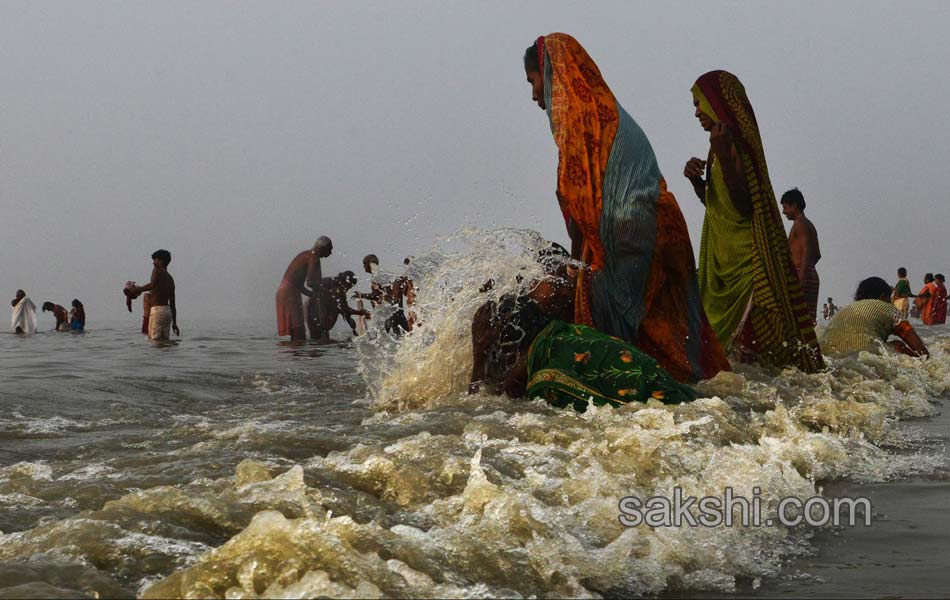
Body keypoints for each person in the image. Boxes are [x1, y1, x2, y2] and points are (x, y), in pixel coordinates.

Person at [524, 33, 729, 383]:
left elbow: (584, 213)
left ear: (553, 73)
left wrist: (577, 278)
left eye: (534, 81)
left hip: (634, 242)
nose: (534, 96)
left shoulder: (578, 124)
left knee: (609, 347)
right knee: (676, 349)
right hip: (664, 229)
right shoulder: (609, 115)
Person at [685, 70, 823, 372]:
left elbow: (745, 204)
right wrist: (698, 182)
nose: (696, 112)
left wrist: (723, 152)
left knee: (750, 365)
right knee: (729, 364)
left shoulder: (733, 145)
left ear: (717, 103)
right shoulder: (716, 148)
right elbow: (720, 207)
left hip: (747, 269)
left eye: (700, 103)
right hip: (722, 265)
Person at [469, 250, 695, 411]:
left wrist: (479, 356)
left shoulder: (545, 376)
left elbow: (489, 399)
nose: (561, 287)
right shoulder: (572, 332)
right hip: (668, 388)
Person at [820, 277, 928, 358]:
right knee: (898, 345)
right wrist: (924, 360)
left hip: (828, 355)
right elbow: (919, 349)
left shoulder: (844, 310)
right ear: (882, 297)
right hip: (864, 356)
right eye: (889, 298)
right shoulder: (889, 309)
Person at [276, 237, 331, 342]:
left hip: (285, 291)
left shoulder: (306, 254)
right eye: (330, 249)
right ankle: (297, 357)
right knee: (298, 333)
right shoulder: (313, 257)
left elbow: (299, 284)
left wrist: (312, 294)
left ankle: (294, 357)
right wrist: (325, 293)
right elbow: (311, 282)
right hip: (289, 294)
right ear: (323, 248)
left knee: (297, 332)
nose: (330, 253)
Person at [780, 188, 821, 323]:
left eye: (786, 207)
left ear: (794, 206)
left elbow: (807, 250)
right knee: (805, 320)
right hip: (808, 273)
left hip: (801, 275)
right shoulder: (807, 224)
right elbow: (817, 255)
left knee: (796, 320)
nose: (784, 212)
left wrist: (801, 276)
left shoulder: (800, 224)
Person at [128, 249, 179, 341]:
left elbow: (152, 285)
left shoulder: (157, 270)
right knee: (164, 343)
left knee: (154, 343)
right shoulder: (171, 278)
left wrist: (137, 289)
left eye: (155, 260)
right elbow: (173, 303)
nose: (153, 262)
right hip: (167, 313)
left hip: (157, 311)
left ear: (160, 261)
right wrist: (174, 323)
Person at [308, 271, 369, 338]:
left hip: (322, 317)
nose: (348, 289)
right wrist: (360, 312)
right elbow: (313, 285)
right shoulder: (328, 283)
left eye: (350, 287)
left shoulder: (340, 292)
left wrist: (360, 312)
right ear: (343, 281)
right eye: (348, 286)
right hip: (314, 311)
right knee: (318, 334)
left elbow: (345, 309)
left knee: (322, 336)